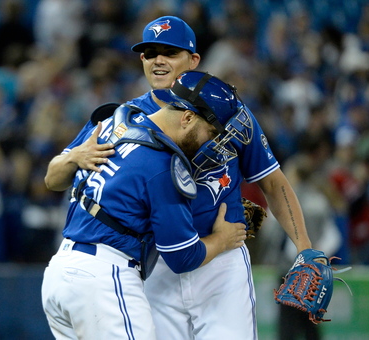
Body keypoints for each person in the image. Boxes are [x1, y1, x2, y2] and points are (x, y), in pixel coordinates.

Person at [128, 16, 313, 339]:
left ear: (193, 60)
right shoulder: (127, 119)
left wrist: (304, 247)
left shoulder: (229, 112)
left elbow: (272, 181)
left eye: (170, 52)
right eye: (150, 52)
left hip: (221, 266)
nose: (159, 60)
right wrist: (72, 158)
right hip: (158, 263)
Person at [41, 70, 248, 339]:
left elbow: (51, 179)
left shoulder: (114, 121)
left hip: (59, 274)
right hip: (104, 280)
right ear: (187, 118)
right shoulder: (163, 166)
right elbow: (182, 257)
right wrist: (223, 238)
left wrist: (72, 158)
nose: (211, 141)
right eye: (210, 131)